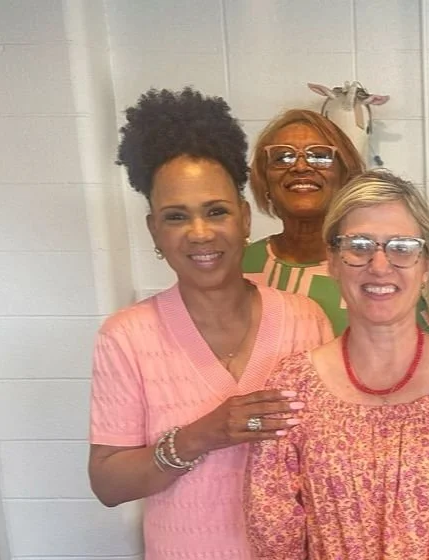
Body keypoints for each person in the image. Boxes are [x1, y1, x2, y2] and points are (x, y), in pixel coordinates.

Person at [88, 88, 332, 559]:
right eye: (176, 217)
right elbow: (108, 483)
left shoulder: (305, 321)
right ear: (154, 230)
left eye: (216, 211)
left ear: (244, 219)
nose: (199, 233)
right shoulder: (127, 337)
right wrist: (202, 435)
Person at [244, 170, 429, 559]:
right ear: (333, 261)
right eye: (359, 246)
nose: (380, 265)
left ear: (427, 264)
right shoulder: (293, 386)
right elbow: (275, 531)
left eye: (402, 247)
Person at [243, 109, 429, 335]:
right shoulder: (237, 267)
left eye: (320, 156)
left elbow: (420, 353)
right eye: (283, 157)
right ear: (264, 180)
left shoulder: (379, 271)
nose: (301, 167)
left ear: (345, 176)